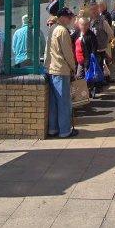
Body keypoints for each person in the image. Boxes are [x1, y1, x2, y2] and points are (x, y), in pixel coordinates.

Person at [46, 8, 78, 138]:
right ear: (63, 17)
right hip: (61, 69)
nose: (71, 20)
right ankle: (65, 131)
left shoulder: (52, 29)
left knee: (53, 103)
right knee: (64, 102)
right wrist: (73, 67)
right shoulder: (63, 31)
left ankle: (53, 129)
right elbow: (68, 53)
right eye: (69, 17)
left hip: (50, 69)